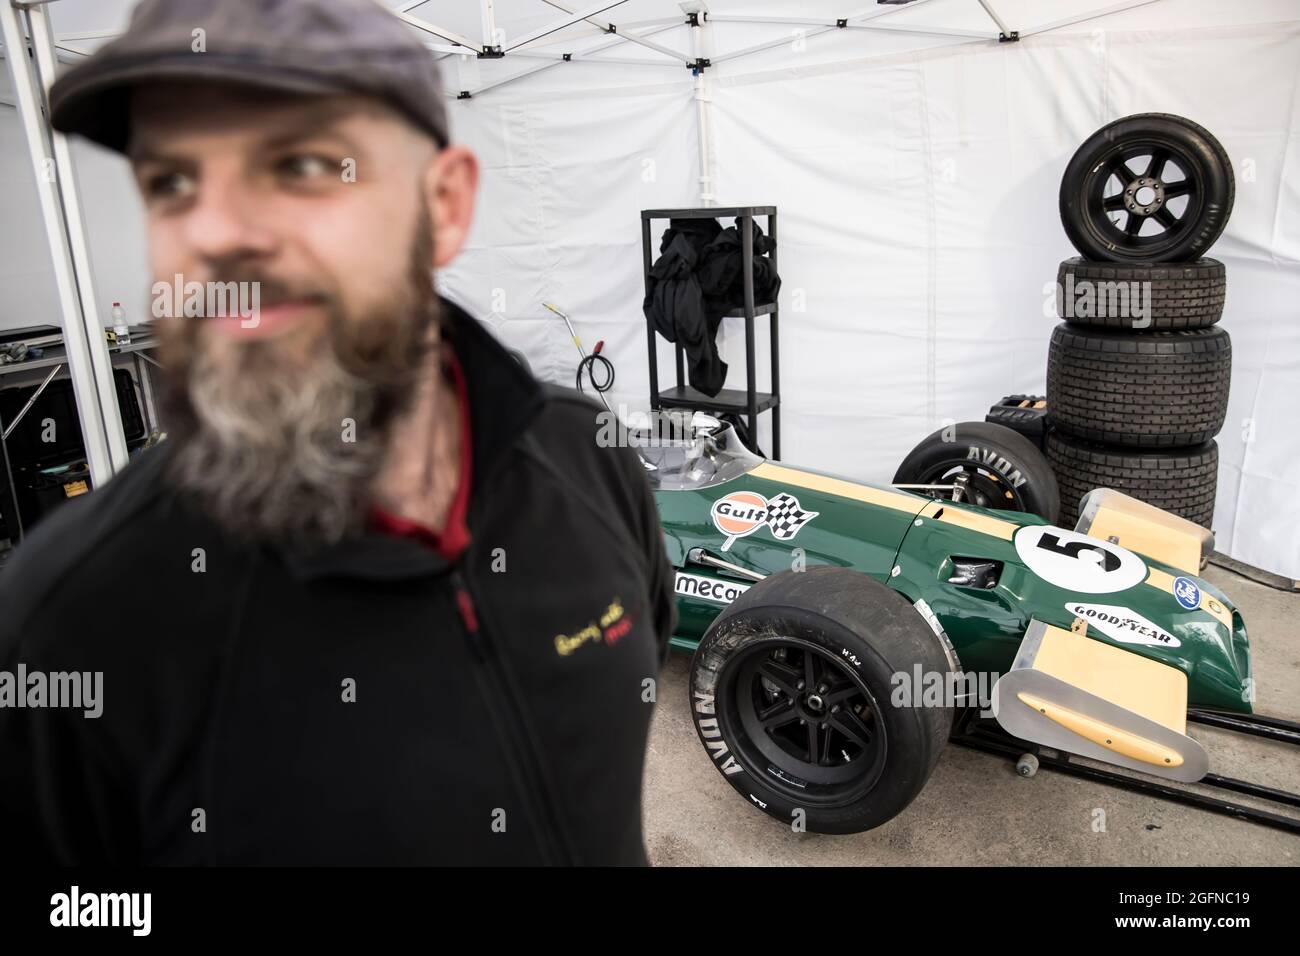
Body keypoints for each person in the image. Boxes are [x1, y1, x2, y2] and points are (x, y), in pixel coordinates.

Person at [0, 0, 674, 866]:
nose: (214, 236)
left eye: (303, 164)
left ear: (445, 205)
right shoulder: (69, 624)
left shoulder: (585, 454)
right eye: (172, 183)